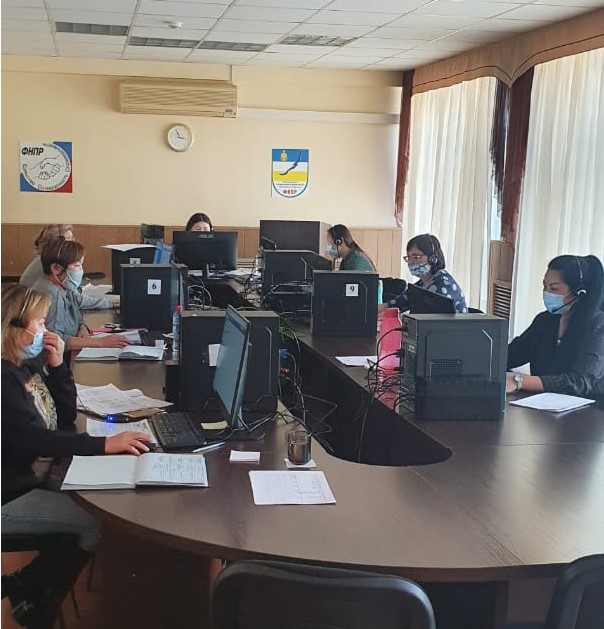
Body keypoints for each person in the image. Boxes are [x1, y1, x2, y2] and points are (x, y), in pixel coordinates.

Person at [1, 284, 153, 628]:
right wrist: (103, 445)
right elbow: (39, 440)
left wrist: (57, 367)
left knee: (96, 500)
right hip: (7, 493)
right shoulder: (4, 381)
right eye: (40, 322)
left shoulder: (24, 366)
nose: (46, 330)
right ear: (15, 328)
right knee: (90, 521)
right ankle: (33, 599)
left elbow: (63, 417)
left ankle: (29, 589)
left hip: (27, 476)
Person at [506, 255, 604, 404]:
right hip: (543, 409)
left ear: (580, 293)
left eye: (554, 288)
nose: (547, 293)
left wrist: (519, 381)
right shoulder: (544, 321)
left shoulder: (598, 326)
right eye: (545, 286)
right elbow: (512, 355)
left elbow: (580, 382)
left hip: (589, 412)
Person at [31, 239, 129, 351]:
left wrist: (82, 326)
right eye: (77, 265)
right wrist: (100, 342)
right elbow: (55, 341)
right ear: (56, 268)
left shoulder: (64, 286)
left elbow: (77, 310)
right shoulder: (51, 294)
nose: (81, 270)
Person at [20, 226, 117, 310]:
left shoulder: (59, 277)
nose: (73, 242)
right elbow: (75, 300)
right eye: (69, 239)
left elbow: (73, 298)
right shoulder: (51, 289)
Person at [389, 233, 467, 313]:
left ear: (432, 259)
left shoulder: (442, 283)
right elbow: (399, 303)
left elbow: (432, 317)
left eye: (416, 257)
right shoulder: (423, 282)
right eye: (408, 257)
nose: (410, 262)